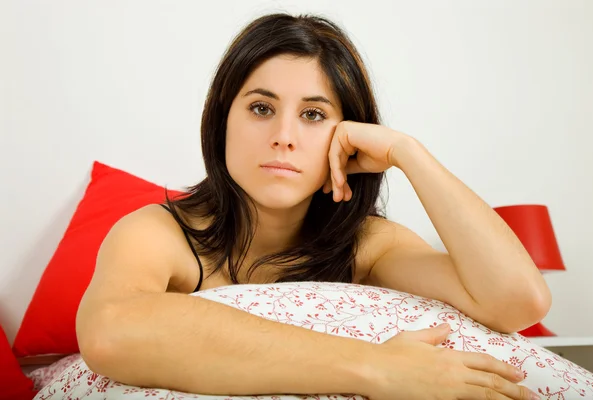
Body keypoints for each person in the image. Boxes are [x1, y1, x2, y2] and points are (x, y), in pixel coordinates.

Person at [76, 12, 550, 400]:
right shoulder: (158, 233)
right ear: (222, 122)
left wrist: (409, 154)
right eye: (261, 108)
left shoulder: (369, 245)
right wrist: (377, 367)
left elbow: (517, 302)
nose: (283, 136)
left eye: (313, 115)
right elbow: (110, 330)